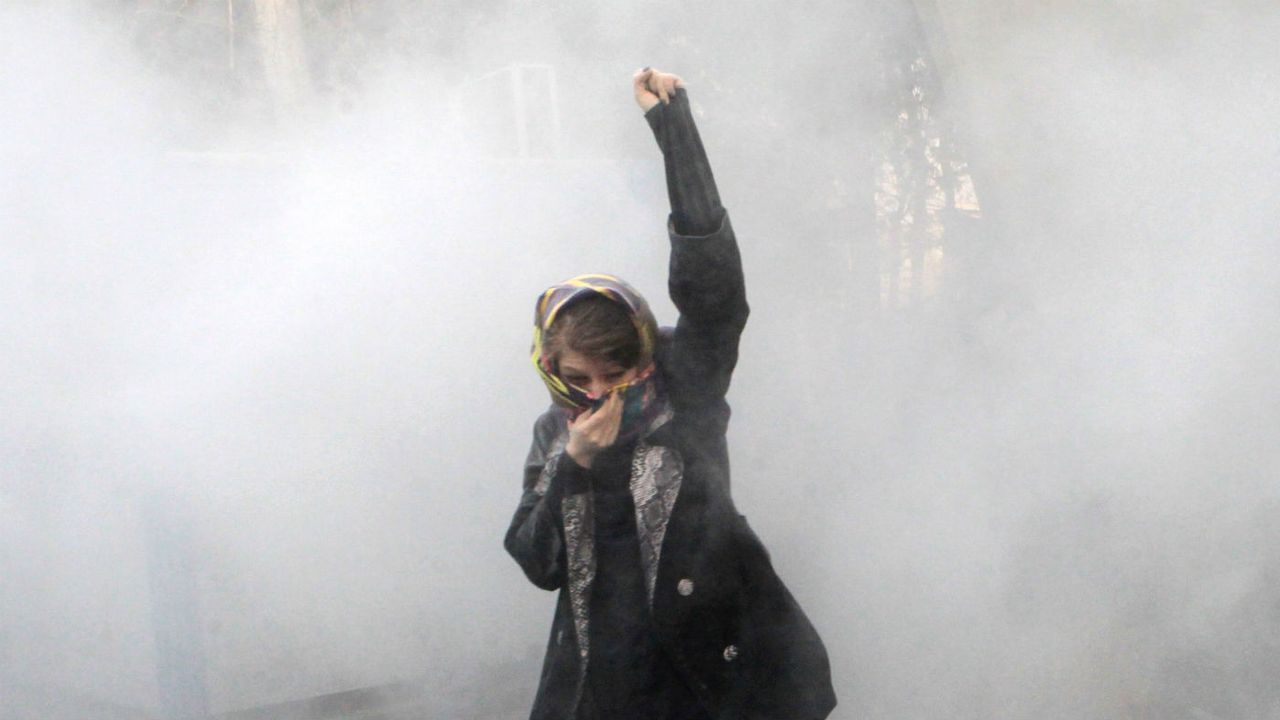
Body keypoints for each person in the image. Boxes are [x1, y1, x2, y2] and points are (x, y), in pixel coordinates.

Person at [505, 69, 836, 720]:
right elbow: (538, 561)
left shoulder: (684, 381)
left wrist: (674, 130)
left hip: (709, 677)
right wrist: (574, 467)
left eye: (615, 373)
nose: (599, 394)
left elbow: (714, 295)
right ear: (553, 365)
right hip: (607, 685)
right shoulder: (556, 431)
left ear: (641, 354)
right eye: (581, 379)